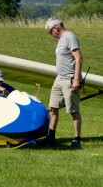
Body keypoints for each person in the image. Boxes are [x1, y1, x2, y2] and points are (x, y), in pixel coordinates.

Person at [41, 17, 83, 149]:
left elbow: (79, 58)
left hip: (70, 79)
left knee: (73, 110)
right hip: (59, 78)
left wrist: (76, 79)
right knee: (53, 107)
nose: (51, 34)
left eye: (50, 32)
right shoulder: (60, 41)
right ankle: (51, 137)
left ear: (56, 28)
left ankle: (77, 140)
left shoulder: (70, 36)